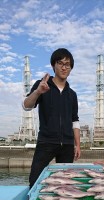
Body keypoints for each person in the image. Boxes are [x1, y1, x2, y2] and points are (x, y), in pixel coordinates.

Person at [23, 48, 81, 188]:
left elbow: (75, 120)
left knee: (65, 184)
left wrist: (77, 144)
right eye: (60, 63)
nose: (64, 67)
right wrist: (37, 92)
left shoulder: (72, 94)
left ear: (71, 68)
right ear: (53, 65)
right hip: (46, 141)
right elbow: (26, 106)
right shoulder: (42, 85)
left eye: (67, 64)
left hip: (67, 144)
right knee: (35, 180)